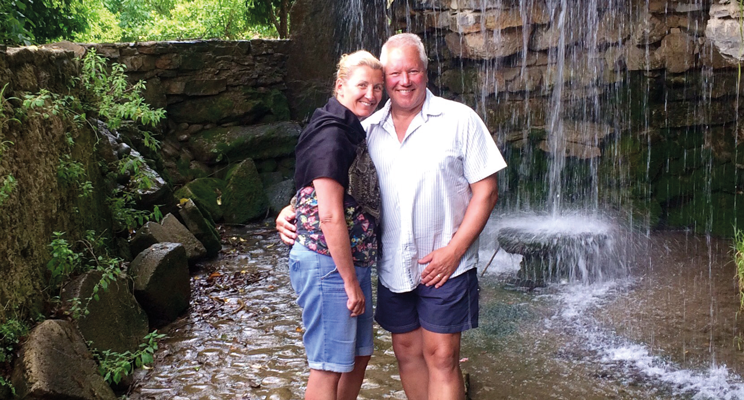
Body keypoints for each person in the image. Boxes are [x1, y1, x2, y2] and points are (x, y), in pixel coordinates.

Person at [277, 33, 507, 400]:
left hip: (446, 263)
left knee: (442, 357)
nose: (404, 81)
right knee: (407, 353)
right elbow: (329, 182)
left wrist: (454, 251)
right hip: (393, 266)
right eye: (394, 73)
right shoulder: (366, 129)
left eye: (412, 71)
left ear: (425, 72)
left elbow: (487, 192)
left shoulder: (459, 119)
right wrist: (292, 208)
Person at [288, 50, 383, 400]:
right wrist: (350, 283)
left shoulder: (346, 128)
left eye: (378, 87)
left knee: (358, 357)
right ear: (341, 86)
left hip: (347, 262)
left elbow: (306, 190)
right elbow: (328, 214)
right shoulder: (332, 134)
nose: (371, 95)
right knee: (328, 366)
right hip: (328, 264)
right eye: (362, 85)